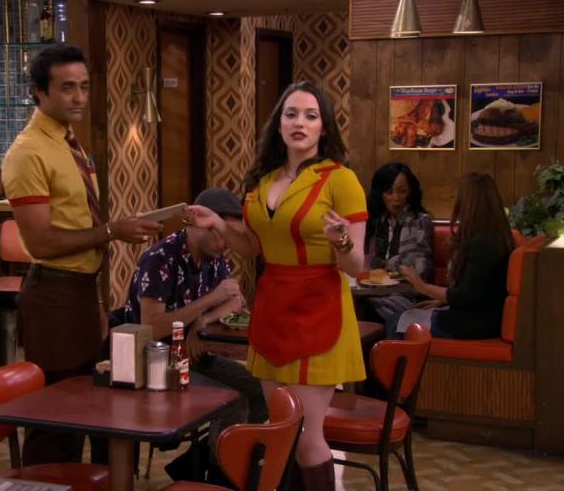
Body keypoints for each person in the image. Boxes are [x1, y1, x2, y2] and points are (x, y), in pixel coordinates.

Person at [187, 81, 368, 490]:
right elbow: (252, 248)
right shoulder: (263, 181)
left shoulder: (341, 180)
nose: (299, 123)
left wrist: (341, 240)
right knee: (281, 431)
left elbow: (356, 265)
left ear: (324, 127)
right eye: (291, 114)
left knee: (306, 438)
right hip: (273, 310)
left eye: (310, 115)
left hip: (319, 309)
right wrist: (218, 225)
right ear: (279, 124)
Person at [1, 43, 161, 465]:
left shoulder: (69, 143)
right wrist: (111, 231)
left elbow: (79, 224)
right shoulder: (28, 152)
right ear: (40, 91)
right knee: (56, 422)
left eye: (84, 87)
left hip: (84, 293)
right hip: (52, 296)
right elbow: (41, 242)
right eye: (67, 87)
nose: (79, 97)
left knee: (93, 410)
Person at [122, 188, 269, 483]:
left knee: (263, 390)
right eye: (221, 234)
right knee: (234, 402)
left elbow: (235, 300)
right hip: (153, 363)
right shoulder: (160, 258)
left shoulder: (214, 254)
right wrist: (208, 301)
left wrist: (201, 322)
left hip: (192, 355)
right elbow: (152, 326)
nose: (227, 243)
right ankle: (219, 479)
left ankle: (198, 463)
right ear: (198, 226)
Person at [395, 173, 515, 339]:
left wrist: (422, 286)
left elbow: (466, 296)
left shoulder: (483, 243)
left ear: (467, 204)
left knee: (398, 321)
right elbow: (479, 290)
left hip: (475, 324)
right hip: (482, 318)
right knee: (407, 314)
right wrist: (441, 301)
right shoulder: (495, 235)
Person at [363, 162, 434, 321]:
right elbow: (365, 265)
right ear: (380, 194)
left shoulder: (420, 222)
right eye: (389, 192)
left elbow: (421, 273)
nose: (396, 198)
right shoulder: (375, 221)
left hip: (406, 296)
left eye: (402, 191)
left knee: (365, 308)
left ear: (410, 192)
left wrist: (384, 266)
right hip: (372, 293)